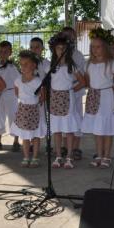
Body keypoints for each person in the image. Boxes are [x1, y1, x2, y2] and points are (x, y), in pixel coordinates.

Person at [82, 29, 114, 168]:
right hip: (93, 96)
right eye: (93, 47)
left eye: (98, 47)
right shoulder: (88, 64)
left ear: (105, 47)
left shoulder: (110, 63)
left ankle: (107, 156)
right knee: (97, 129)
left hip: (106, 97)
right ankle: (99, 154)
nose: (95, 49)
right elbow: (87, 81)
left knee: (107, 128)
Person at [48, 35, 85, 170]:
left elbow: (82, 82)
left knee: (68, 129)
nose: (61, 50)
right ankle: (58, 155)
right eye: (58, 48)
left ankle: (69, 156)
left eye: (63, 48)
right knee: (57, 129)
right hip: (55, 99)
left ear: (67, 50)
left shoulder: (72, 66)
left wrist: (70, 91)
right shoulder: (51, 66)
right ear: (54, 50)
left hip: (67, 99)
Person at [10, 50, 46, 168]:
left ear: (34, 65)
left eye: (26, 64)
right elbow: (17, 93)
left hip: (34, 110)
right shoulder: (18, 80)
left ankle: (35, 157)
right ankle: (26, 157)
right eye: (21, 64)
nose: (23, 67)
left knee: (35, 136)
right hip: (23, 110)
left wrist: (35, 102)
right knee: (25, 136)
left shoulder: (37, 81)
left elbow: (43, 96)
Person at [58, 27, 86, 160]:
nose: (69, 39)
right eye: (66, 36)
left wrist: (71, 90)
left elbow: (82, 75)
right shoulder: (58, 55)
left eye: (71, 36)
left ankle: (76, 148)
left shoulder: (78, 55)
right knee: (64, 119)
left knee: (77, 118)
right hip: (62, 93)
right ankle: (65, 146)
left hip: (75, 89)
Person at [0, 40, 21, 152]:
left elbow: (18, 82)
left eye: (5, 51)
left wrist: (18, 95)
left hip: (11, 94)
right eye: (1, 51)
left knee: (13, 117)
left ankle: (16, 141)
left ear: (10, 53)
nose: (3, 54)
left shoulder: (13, 67)